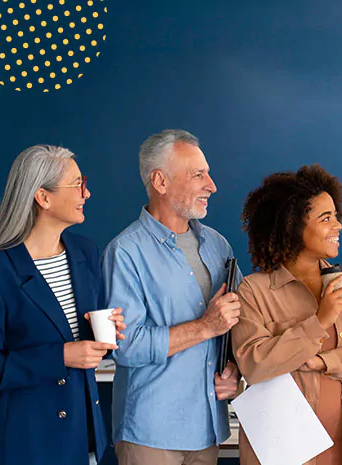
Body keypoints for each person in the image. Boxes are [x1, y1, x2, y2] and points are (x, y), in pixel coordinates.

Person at [0, 145, 126, 465]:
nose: (87, 192)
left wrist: (105, 336)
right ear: (43, 197)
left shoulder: (84, 252)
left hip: (85, 438)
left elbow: (83, 342)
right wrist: (62, 355)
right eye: (77, 184)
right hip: (25, 444)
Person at [231, 164, 342, 465]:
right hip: (284, 453)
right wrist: (319, 321)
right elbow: (255, 364)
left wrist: (323, 362)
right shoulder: (255, 291)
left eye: (336, 216)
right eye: (325, 218)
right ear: (294, 227)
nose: (338, 225)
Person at [103, 129, 241, 464]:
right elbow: (126, 347)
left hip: (207, 427)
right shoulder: (125, 252)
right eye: (198, 175)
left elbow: (236, 323)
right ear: (160, 181)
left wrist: (234, 369)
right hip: (151, 434)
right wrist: (204, 327)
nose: (212, 186)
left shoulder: (218, 246)